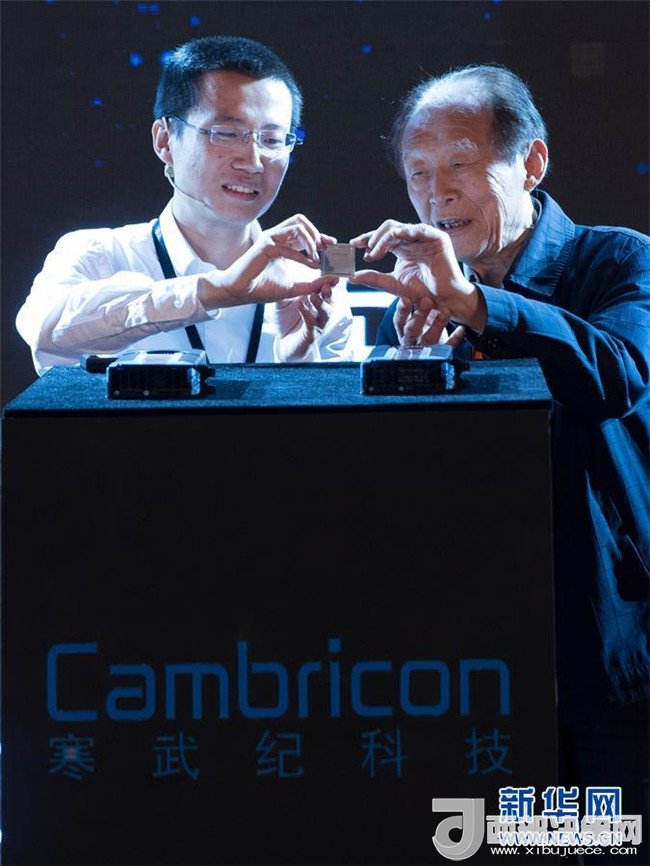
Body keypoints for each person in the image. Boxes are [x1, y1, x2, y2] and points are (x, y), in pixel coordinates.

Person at [349, 65, 649, 862]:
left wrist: (480, 305)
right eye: (418, 174)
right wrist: (404, 370)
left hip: (612, 657)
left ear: (532, 162)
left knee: (612, 844)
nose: (436, 193)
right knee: (501, 847)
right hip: (474, 665)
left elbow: (616, 373)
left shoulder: (618, 260)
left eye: (459, 163)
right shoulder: (417, 304)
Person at [16, 35, 352, 374]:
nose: (253, 162)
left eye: (272, 140)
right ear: (165, 140)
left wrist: (300, 364)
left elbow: (348, 406)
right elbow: (44, 332)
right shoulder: (100, 254)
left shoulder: (312, 281)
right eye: (226, 133)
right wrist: (215, 290)